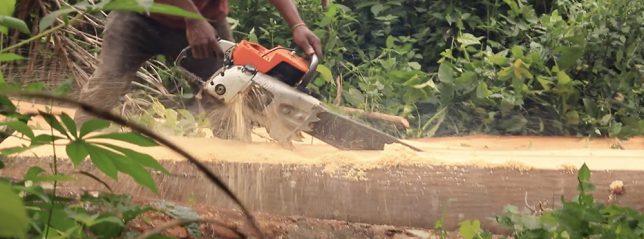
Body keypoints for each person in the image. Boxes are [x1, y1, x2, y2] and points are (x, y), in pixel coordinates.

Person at [73, 0, 323, 127]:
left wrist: (297, 25)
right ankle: (76, 161)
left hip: (207, 23)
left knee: (227, 103)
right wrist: (191, 20)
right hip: (138, 17)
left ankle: (232, 182)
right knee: (106, 85)